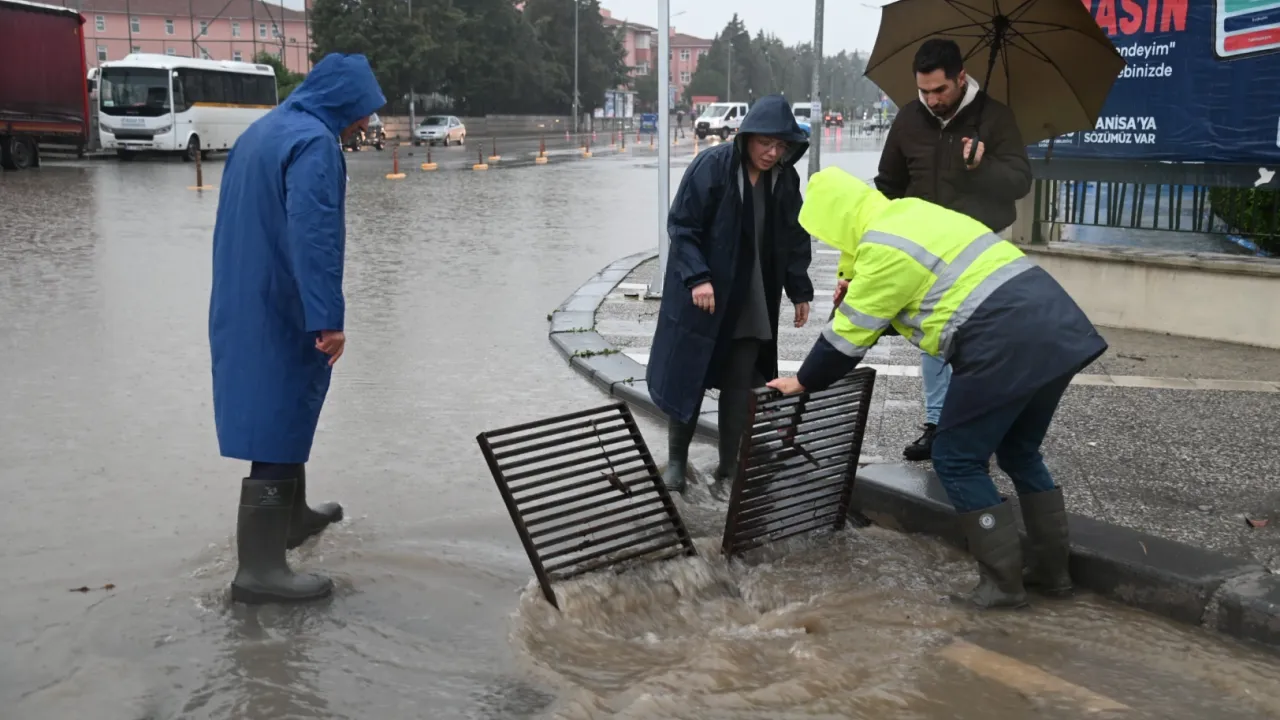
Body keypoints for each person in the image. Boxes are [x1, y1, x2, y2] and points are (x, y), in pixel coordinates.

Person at [769, 167, 1107, 609]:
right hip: (1057, 327)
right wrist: (866, 298)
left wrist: (803, 380)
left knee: (956, 458)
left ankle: (1002, 585)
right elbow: (933, 297)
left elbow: (845, 341)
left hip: (1001, 340)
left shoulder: (882, 249)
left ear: (834, 220)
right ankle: (1052, 571)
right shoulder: (912, 214)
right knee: (1020, 451)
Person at [209, 53, 386, 605]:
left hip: (244, 294)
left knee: (283, 410)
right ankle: (259, 570)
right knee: (276, 417)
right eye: (363, 110)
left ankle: (294, 518)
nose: (364, 122)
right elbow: (315, 235)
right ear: (344, 102)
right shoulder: (314, 144)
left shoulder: (264, 131)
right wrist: (327, 317)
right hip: (283, 303)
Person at [864, 37, 1032, 463]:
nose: (932, 100)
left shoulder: (996, 118)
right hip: (927, 251)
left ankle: (979, 425)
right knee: (934, 337)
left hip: (980, 248)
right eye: (924, 91)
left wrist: (981, 166)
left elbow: (1020, 181)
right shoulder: (908, 119)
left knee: (978, 340)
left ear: (961, 78)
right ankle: (938, 425)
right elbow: (888, 186)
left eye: (939, 90)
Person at [647, 94, 814, 494]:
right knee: (689, 373)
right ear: (746, 137)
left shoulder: (784, 179)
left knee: (741, 380)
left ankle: (729, 464)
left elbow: (794, 236)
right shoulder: (713, 166)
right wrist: (698, 278)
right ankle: (676, 462)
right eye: (765, 143)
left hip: (752, 294)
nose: (772, 153)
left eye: (780, 146)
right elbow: (682, 226)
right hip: (703, 293)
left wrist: (799, 289)